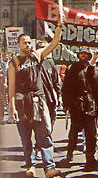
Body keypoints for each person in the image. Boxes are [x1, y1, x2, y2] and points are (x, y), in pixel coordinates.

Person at [8, 20, 63, 177]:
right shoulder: (14, 62)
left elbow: (54, 43)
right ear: (18, 45)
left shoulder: (37, 56)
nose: (27, 45)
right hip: (21, 103)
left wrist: (59, 27)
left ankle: (49, 168)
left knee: (44, 135)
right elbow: (11, 88)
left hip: (38, 102)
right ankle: (30, 166)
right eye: (24, 42)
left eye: (29, 42)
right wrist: (12, 108)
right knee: (26, 138)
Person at [61, 50, 98, 169]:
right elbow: (66, 86)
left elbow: (97, 86)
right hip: (76, 105)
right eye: (81, 53)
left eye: (86, 54)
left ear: (89, 55)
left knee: (91, 133)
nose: (84, 56)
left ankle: (90, 158)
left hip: (90, 105)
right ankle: (69, 154)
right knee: (73, 132)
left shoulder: (94, 68)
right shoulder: (72, 68)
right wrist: (66, 103)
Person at [36, 41, 62, 129]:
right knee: (43, 123)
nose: (44, 50)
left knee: (51, 119)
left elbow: (56, 82)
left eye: (45, 47)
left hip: (51, 97)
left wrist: (59, 97)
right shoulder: (33, 63)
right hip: (39, 99)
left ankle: (47, 137)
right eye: (41, 48)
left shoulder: (50, 64)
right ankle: (44, 140)